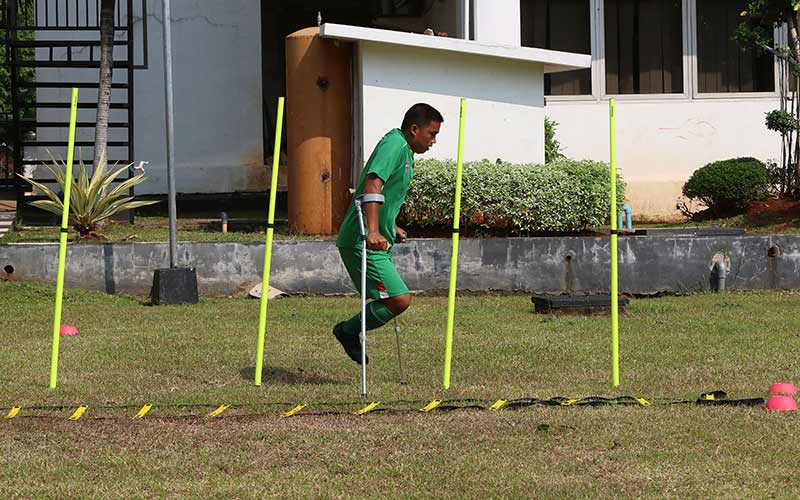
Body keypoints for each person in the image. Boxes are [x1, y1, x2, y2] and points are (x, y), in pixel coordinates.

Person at [333, 103, 444, 364]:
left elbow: (387, 195)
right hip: (362, 241)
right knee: (399, 300)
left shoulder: (406, 151)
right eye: (431, 133)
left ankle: (349, 330)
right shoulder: (394, 145)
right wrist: (372, 231)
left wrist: (389, 225)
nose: (434, 141)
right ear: (414, 129)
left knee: (394, 299)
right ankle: (347, 331)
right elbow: (373, 183)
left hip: (378, 241)